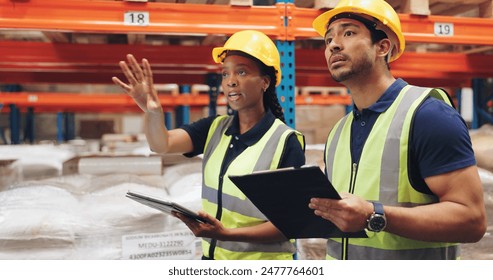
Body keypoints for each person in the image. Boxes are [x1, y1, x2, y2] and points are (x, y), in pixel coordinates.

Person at [307, 0, 486, 260]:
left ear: (382, 47)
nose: (333, 44)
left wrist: (374, 214)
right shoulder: (338, 132)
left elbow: (472, 220)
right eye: (328, 39)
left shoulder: (428, 116)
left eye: (348, 33)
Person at [112, 30, 306, 260]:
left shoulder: (285, 142)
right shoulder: (215, 128)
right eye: (225, 74)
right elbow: (161, 144)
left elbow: (290, 225)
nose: (230, 81)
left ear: (265, 82)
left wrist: (227, 234)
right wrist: (152, 112)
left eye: (242, 72)